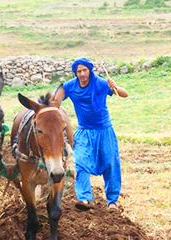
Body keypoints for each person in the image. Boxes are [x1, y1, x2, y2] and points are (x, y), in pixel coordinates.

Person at [55, 57, 128, 210]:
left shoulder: (101, 83)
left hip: (104, 130)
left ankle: (112, 201)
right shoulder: (71, 86)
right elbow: (57, 99)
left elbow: (124, 94)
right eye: (79, 71)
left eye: (85, 70)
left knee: (110, 164)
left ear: (90, 70)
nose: (82, 74)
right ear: (75, 73)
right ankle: (85, 199)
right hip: (84, 132)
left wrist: (115, 86)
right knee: (80, 162)